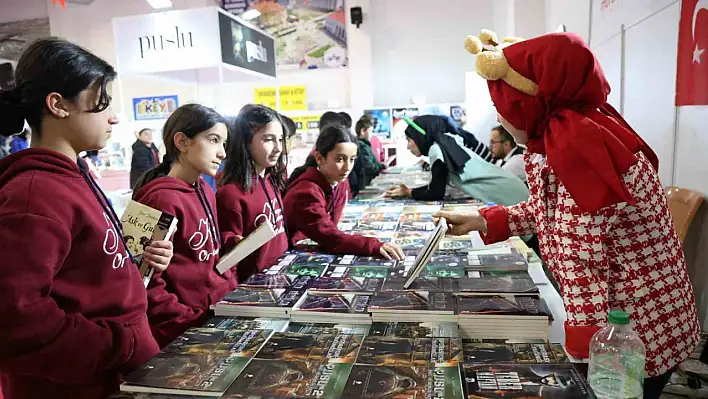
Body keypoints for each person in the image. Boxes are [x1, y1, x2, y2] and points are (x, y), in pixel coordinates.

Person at [438, 31, 700, 396]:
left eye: (504, 103)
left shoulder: (576, 147)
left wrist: (581, 352)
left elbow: (581, 256)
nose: (499, 114)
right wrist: (484, 220)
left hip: (632, 331)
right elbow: (556, 213)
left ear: (530, 101)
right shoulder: (578, 130)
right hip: (651, 315)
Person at [0, 37, 173, 399]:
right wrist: (118, 345)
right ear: (58, 105)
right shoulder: (34, 195)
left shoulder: (74, 176)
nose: (112, 117)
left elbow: (82, 270)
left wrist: (138, 261)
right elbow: (16, 322)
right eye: (101, 104)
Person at [132, 103, 234, 348]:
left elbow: (204, 254)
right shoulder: (159, 198)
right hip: (182, 332)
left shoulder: (206, 190)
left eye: (223, 143)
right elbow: (143, 281)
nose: (222, 153)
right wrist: (187, 322)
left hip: (212, 315)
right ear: (182, 141)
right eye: (213, 140)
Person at [284, 125, 404, 260]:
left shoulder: (339, 180)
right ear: (319, 158)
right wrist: (372, 245)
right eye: (340, 159)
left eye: (352, 159)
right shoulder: (306, 192)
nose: (347, 167)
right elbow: (329, 237)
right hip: (291, 252)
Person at [385, 115, 528, 206]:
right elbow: (437, 185)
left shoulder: (437, 150)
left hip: (508, 194)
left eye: (409, 140)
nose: (408, 145)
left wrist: (409, 192)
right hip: (512, 189)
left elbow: (435, 192)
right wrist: (409, 191)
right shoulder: (447, 143)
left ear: (420, 137)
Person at [217, 105, 289, 283]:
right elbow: (230, 260)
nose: (278, 148)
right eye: (269, 139)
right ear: (246, 142)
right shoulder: (231, 194)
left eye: (280, 139)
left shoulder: (272, 180)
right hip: (253, 287)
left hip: (279, 275)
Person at [355, 116, 385, 185]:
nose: (372, 134)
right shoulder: (362, 146)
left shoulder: (364, 145)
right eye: (371, 131)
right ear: (362, 131)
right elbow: (369, 167)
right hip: (365, 182)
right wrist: (382, 166)